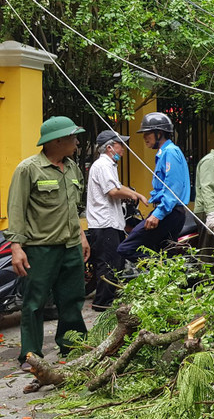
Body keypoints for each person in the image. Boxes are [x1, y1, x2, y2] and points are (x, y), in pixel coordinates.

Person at [7, 117, 90, 371]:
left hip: (70, 246)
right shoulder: (28, 169)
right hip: (40, 248)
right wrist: (16, 247)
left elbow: (75, 208)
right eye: (73, 137)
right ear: (57, 140)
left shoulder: (73, 168)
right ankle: (30, 354)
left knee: (73, 298)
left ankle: (73, 346)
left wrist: (82, 236)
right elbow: (16, 209)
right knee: (34, 303)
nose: (77, 142)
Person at [86, 130, 147, 312]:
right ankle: (102, 303)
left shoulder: (109, 166)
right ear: (110, 147)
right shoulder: (103, 165)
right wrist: (136, 194)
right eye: (121, 144)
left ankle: (107, 300)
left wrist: (131, 194)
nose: (124, 149)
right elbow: (113, 191)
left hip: (112, 222)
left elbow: (117, 188)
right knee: (108, 264)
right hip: (104, 223)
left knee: (116, 262)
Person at [117, 112, 190, 261]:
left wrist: (158, 214)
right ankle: (165, 276)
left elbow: (173, 188)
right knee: (165, 255)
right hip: (169, 211)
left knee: (126, 248)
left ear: (159, 133)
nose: (144, 138)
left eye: (147, 133)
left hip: (169, 213)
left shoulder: (170, 152)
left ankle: (158, 268)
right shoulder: (164, 153)